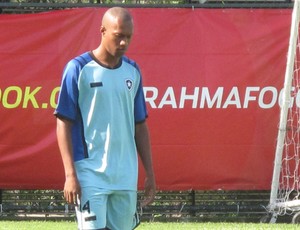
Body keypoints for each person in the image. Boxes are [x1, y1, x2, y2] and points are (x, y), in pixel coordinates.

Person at [54, 7, 156, 230]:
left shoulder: (133, 71)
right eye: (119, 36)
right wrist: (70, 174)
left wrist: (150, 172)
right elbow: (63, 122)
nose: (124, 43)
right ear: (103, 31)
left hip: (125, 175)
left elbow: (140, 125)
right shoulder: (78, 69)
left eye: (128, 37)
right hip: (89, 173)